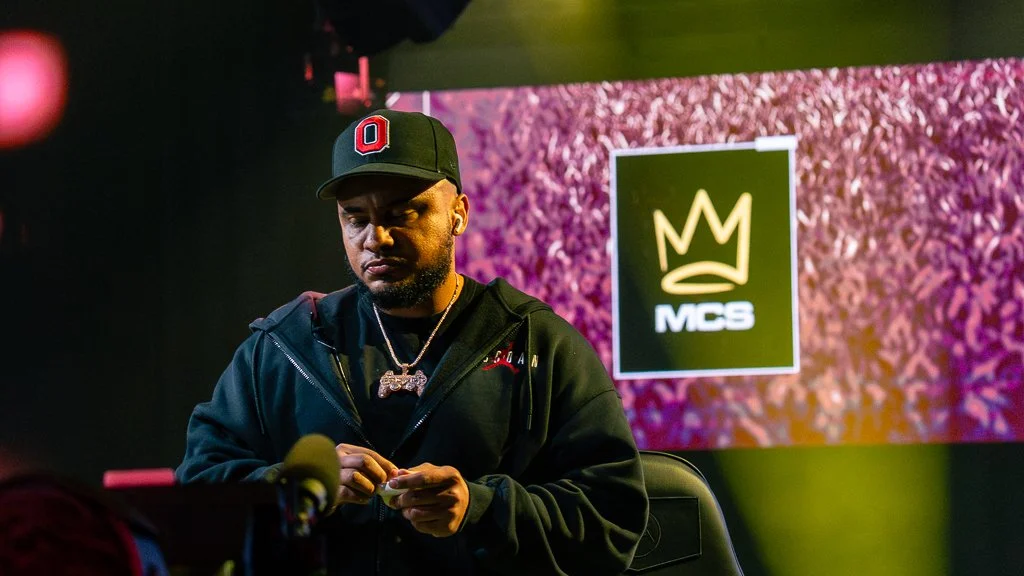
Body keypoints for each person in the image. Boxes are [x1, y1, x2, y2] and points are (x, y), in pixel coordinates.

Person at [176, 109, 648, 575]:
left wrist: (482, 509)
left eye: (401, 213)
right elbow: (195, 495)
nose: (376, 238)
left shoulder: (535, 341)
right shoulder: (287, 344)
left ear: (458, 214)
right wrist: (295, 488)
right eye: (355, 218)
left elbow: (613, 517)